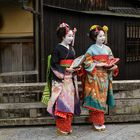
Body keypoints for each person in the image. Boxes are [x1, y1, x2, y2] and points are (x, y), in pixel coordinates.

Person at [80, 25, 119, 131]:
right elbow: (86, 62)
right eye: (100, 36)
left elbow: (111, 59)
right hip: (94, 76)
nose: (103, 38)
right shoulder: (91, 49)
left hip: (105, 76)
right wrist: (98, 65)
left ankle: (97, 120)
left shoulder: (107, 49)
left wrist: (113, 65)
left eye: (103, 36)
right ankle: (98, 121)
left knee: (102, 99)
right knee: (95, 98)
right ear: (95, 37)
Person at [47, 23, 81, 135]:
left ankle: (67, 126)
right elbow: (54, 64)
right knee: (62, 103)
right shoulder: (57, 48)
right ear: (63, 36)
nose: (71, 38)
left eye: (72, 36)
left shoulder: (71, 49)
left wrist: (76, 67)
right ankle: (61, 127)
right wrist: (66, 70)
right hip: (61, 80)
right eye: (69, 36)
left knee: (70, 103)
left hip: (70, 80)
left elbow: (74, 62)